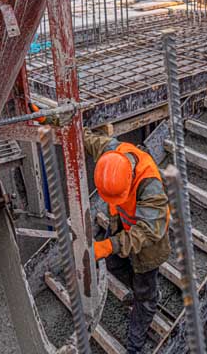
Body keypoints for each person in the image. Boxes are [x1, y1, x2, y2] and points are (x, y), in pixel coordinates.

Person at [85, 129, 170, 354]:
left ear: (131, 178)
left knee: (145, 295)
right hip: (123, 224)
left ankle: (135, 344)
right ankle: (138, 289)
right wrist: (53, 119)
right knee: (114, 264)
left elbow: (149, 231)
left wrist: (109, 245)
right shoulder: (111, 152)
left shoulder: (150, 183)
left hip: (149, 244)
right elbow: (83, 137)